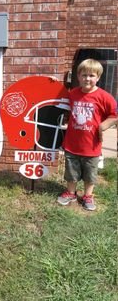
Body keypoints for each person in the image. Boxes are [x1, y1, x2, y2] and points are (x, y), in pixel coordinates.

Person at [57, 59, 117, 211]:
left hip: (91, 145)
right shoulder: (73, 94)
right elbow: (58, 96)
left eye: (91, 75)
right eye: (84, 75)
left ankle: (88, 196)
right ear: (78, 76)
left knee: (90, 174)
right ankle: (71, 193)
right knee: (71, 172)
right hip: (72, 143)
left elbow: (114, 114)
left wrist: (103, 125)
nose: (87, 79)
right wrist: (52, 83)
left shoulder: (104, 96)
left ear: (98, 77)